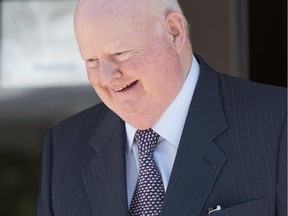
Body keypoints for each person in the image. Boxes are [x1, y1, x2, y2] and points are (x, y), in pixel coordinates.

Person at [37, 0, 287, 215]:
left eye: (120, 52)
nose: (106, 76)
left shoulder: (277, 122)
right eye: (91, 61)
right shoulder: (64, 147)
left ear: (174, 33)